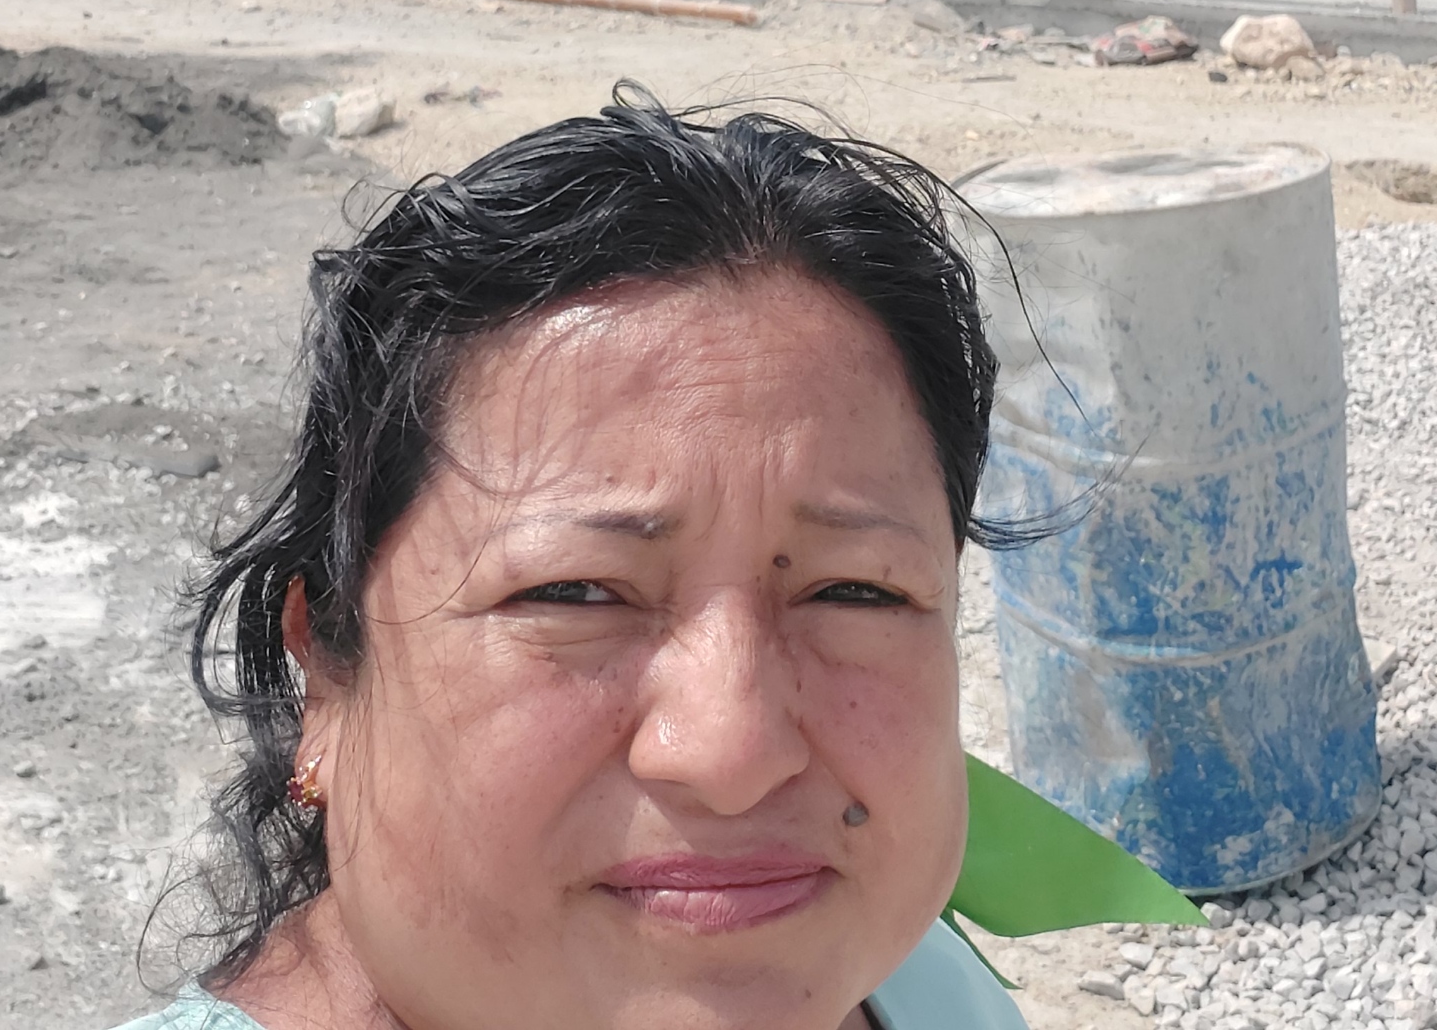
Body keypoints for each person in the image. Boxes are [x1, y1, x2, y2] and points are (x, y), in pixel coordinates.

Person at [105, 96, 1194, 1030]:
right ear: (327, 679)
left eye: (854, 589)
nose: (732, 752)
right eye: (576, 592)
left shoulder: (915, 981)